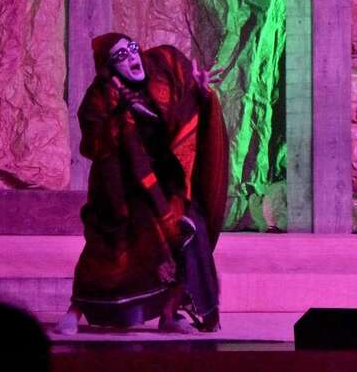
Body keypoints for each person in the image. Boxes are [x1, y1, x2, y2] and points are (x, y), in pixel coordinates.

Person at [54, 33, 228, 334]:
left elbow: (183, 111)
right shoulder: (101, 97)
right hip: (122, 186)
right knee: (111, 250)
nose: (132, 57)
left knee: (189, 233)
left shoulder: (159, 76)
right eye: (121, 56)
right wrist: (118, 118)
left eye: (132, 49)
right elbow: (100, 147)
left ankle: (169, 314)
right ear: (110, 66)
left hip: (166, 179)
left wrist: (199, 92)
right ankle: (75, 311)